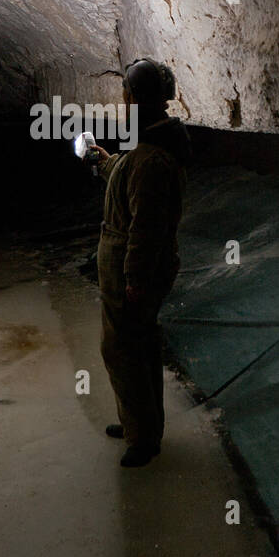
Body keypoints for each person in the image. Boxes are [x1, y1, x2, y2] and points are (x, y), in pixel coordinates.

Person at [87, 58, 190, 468]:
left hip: (131, 266)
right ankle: (138, 422)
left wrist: (134, 277)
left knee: (124, 347)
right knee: (137, 343)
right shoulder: (154, 145)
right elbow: (130, 179)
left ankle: (142, 437)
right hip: (133, 263)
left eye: (126, 95)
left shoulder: (150, 157)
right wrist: (104, 161)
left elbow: (145, 227)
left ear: (132, 98)